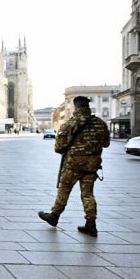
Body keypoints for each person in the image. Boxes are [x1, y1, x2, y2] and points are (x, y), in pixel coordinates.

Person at [38, 96, 110, 237]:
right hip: (91, 166)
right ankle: (91, 224)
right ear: (88, 106)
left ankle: (54, 216)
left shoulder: (69, 124)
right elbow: (106, 143)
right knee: (88, 194)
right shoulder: (100, 123)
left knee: (64, 190)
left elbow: (58, 147)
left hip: (73, 165)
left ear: (76, 107)